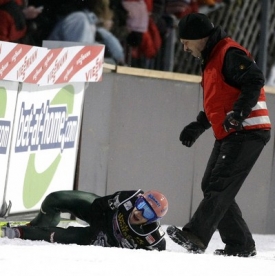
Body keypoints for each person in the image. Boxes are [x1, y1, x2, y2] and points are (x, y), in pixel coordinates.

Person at [167, 13, 271, 257]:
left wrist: (240, 113)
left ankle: (196, 235)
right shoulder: (212, 57)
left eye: (186, 42)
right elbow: (220, 101)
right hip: (232, 131)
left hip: (248, 130)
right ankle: (240, 244)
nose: (184, 48)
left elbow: (254, 79)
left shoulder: (229, 53)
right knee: (212, 185)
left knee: (219, 185)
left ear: (200, 38)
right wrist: (199, 125)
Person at [1, 189, 168, 250]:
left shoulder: (152, 238)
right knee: (55, 199)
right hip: (100, 216)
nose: (138, 212)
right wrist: (97, 229)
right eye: (141, 204)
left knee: (60, 236)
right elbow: (99, 204)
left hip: (99, 241)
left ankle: (17, 232)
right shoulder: (129, 198)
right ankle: (35, 224)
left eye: (147, 213)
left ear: (152, 220)